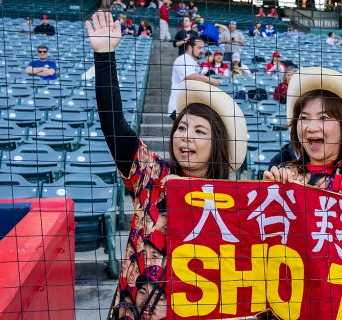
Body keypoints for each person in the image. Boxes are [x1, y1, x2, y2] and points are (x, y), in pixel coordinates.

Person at [85, 11, 247, 319]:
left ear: (217, 145)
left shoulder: (233, 200)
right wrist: (105, 56)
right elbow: (114, 125)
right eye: (182, 128)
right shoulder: (151, 174)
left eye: (200, 132)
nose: (186, 138)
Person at [263, 0, 342, 201]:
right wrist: (268, 191)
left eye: (324, 118)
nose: (311, 127)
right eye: (304, 118)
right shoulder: (284, 174)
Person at [167, 36, 221, 119]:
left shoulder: (195, 62)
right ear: (189, 47)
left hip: (189, 106)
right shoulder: (182, 59)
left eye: (203, 48)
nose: (202, 51)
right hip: (179, 107)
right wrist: (210, 80)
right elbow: (189, 76)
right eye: (199, 48)